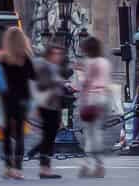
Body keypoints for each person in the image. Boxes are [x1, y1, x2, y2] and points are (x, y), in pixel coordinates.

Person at [0, 27, 36, 179]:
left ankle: (8, 167)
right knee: (19, 134)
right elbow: (33, 77)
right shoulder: (25, 58)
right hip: (23, 98)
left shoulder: (2, 59)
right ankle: (18, 169)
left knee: (6, 134)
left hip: (5, 98)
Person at [74, 36, 113, 178]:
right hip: (103, 97)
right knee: (94, 131)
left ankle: (96, 164)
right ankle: (88, 164)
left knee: (91, 133)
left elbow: (86, 83)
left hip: (92, 98)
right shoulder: (105, 62)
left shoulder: (91, 62)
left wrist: (79, 72)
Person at [32, 42, 69, 178]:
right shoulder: (42, 64)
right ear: (49, 54)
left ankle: (45, 167)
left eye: (60, 54)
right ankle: (44, 168)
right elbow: (42, 84)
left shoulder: (53, 66)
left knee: (50, 136)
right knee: (48, 136)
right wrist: (58, 82)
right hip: (47, 104)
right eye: (56, 53)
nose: (58, 56)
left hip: (53, 104)